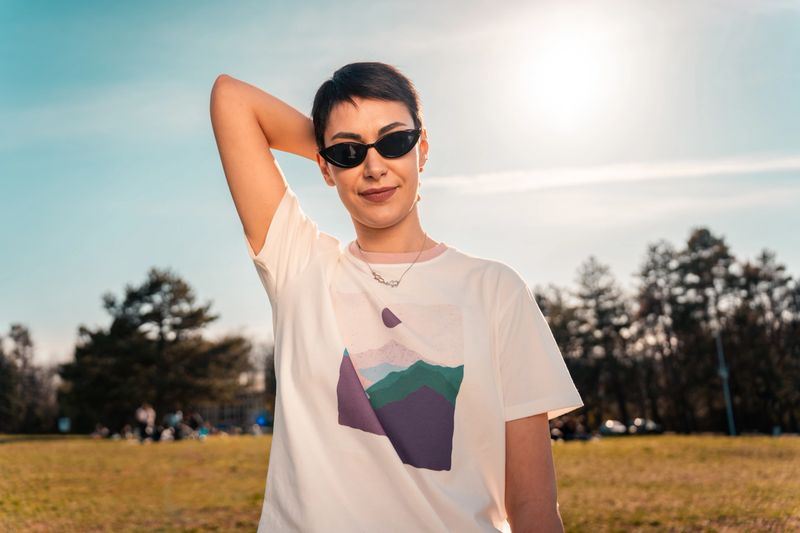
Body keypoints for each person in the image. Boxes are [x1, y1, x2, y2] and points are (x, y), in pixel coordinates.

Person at [210, 62, 584, 533]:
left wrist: (349, 150)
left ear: (422, 149)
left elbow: (532, 506)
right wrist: (336, 153)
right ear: (324, 166)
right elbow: (231, 98)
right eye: (348, 151)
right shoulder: (300, 267)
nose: (374, 168)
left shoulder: (496, 290)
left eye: (394, 142)